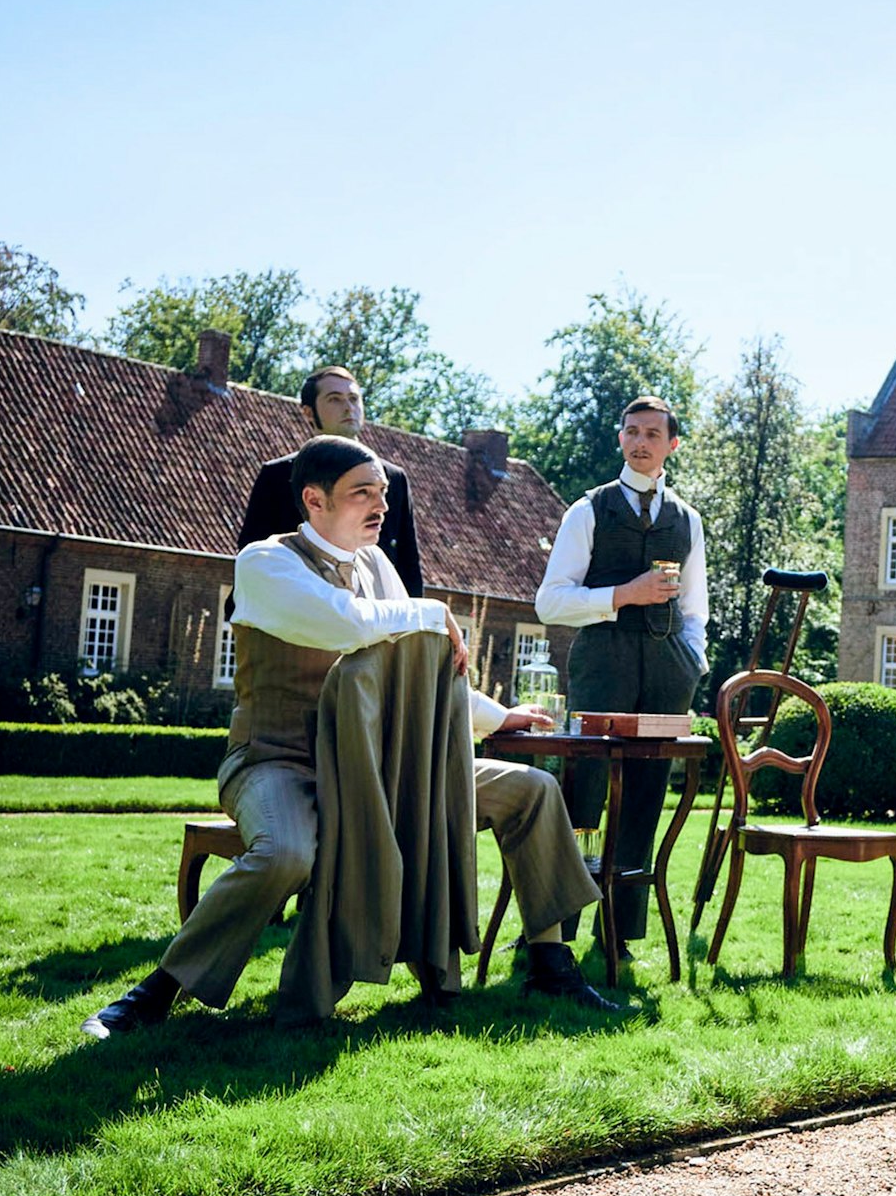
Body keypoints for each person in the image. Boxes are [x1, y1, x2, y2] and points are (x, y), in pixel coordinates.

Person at [84, 437, 613, 1040]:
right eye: (363, 492)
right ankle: (160, 989)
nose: (381, 506)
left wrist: (496, 717)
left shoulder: (379, 568)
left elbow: (412, 674)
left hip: (385, 768)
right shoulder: (265, 563)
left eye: (383, 494)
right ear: (314, 499)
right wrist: (428, 611)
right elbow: (346, 622)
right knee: (286, 852)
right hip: (280, 761)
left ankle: (549, 963)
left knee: (532, 790)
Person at [536, 396, 708, 959]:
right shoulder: (588, 510)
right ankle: (559, 925)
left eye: (653, 434)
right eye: (631, 431)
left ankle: (619, 934)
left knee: (644, 796)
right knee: (583, 793)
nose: (641, 441)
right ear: (620, 440)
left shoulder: (688, 520)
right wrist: (623, 596)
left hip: (665, 668)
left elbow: (696, 609)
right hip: (602, 659)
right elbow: (549, 603)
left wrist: (691, 659)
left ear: (671, 445)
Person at [237, 366, 424, 599]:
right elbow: (253, 555)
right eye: (334, 399)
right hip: (297, 613)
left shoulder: (393, 478)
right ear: (308, 412)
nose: (348, 407)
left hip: (378, 620)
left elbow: (408, 565)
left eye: (354, 398)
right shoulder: (279, 475)